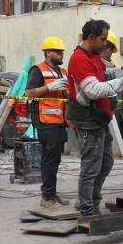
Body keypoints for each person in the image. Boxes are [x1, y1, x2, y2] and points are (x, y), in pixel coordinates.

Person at [67, 19, 123, 216]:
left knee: (106, 162)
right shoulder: (79, 59)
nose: (105, 44)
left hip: (99, 119)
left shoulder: (94, 57)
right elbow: (93, 90)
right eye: (103, 39)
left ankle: (92, 199)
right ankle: (87, 208)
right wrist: (122, 81)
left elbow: (107, 73)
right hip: (88, 121)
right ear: (90, 38)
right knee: (91, 167)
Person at [25, 36, 70, 208]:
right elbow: (29, 93)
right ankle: (47, 197)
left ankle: (51, 192)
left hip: (60, 122)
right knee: (49, 160)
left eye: (62, 52)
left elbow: (65, 96)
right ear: (48, 52)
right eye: (58, 52)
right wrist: (49, 87)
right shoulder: (38, 70)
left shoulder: (62, 72)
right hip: (45, 122)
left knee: (56, 160)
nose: (61, 54)